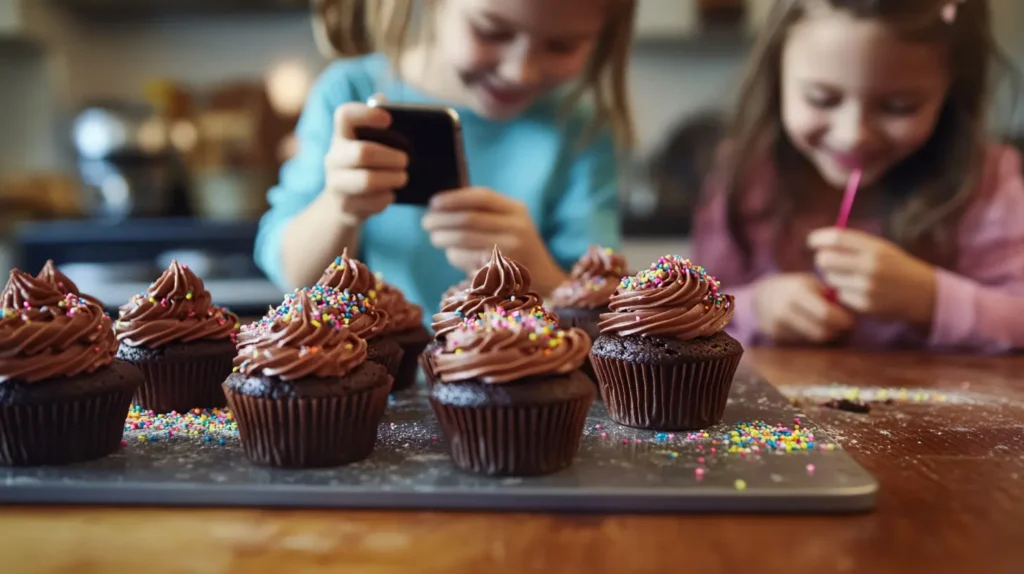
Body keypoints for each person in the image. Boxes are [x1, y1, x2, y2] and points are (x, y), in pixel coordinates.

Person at [254, 0, 635, 320]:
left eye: (561, 46)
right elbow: (293, 277)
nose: (520, 71)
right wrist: (339, 206)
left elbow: (605, 297)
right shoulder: (349, 92)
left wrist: (541, 274)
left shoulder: (582, 126)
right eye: (492, 32)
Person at [693, 0, 1024, 354]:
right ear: (777, 75)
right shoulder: (747, 177)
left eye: (899, 106)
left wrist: (931, 298)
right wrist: (757, 307)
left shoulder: (984, 182)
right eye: (821, 99)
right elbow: (695, 309)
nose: (854, 135)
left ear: (951, 89)